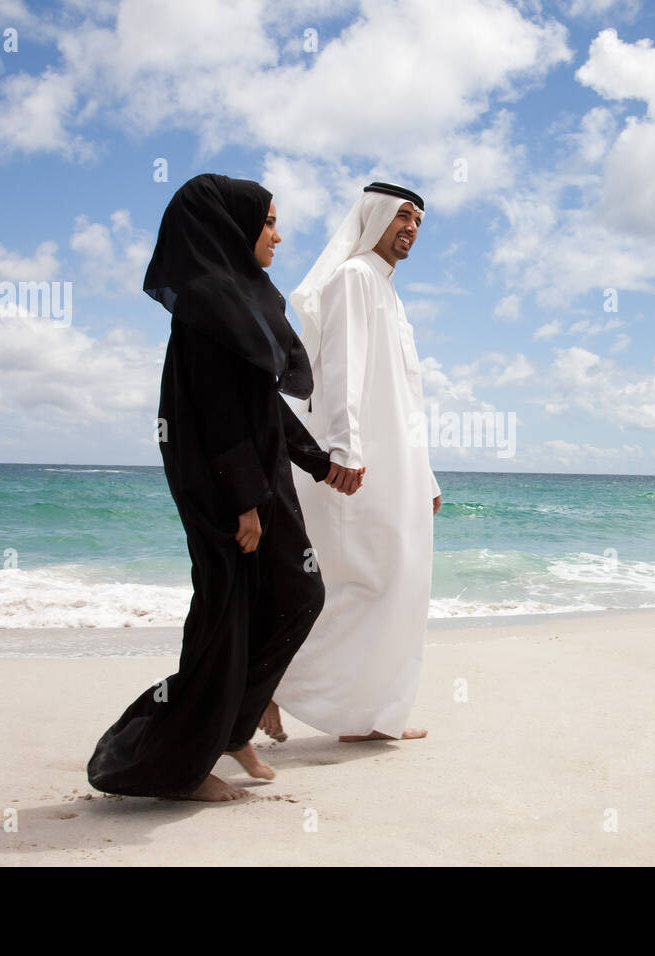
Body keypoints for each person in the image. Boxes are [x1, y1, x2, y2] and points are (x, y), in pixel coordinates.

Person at [87, 174, 363, 801]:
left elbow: (259, 405)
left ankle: (234, 727)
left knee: (300, 593)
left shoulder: (245, 295)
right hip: (226, 490)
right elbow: (215, 408)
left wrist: (320, 465)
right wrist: (243, 500)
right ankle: (178, 767)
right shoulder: (208, 303)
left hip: (262, 483)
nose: (278, 234)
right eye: (268, 222)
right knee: (224, 620)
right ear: (232, 228)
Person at [261, 182, 441, 743]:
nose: (410, 228)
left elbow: (406, 395)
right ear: (375, 219)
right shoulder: (354, 278)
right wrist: (343, 449)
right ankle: (270, 687)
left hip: (398, 466)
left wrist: (426, 474)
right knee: (362, 582)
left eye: (417, 220)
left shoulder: (388, 291)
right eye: (401, 217)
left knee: (399, 582)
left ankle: (368, 715)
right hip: (360, 465)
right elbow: (340, 369)